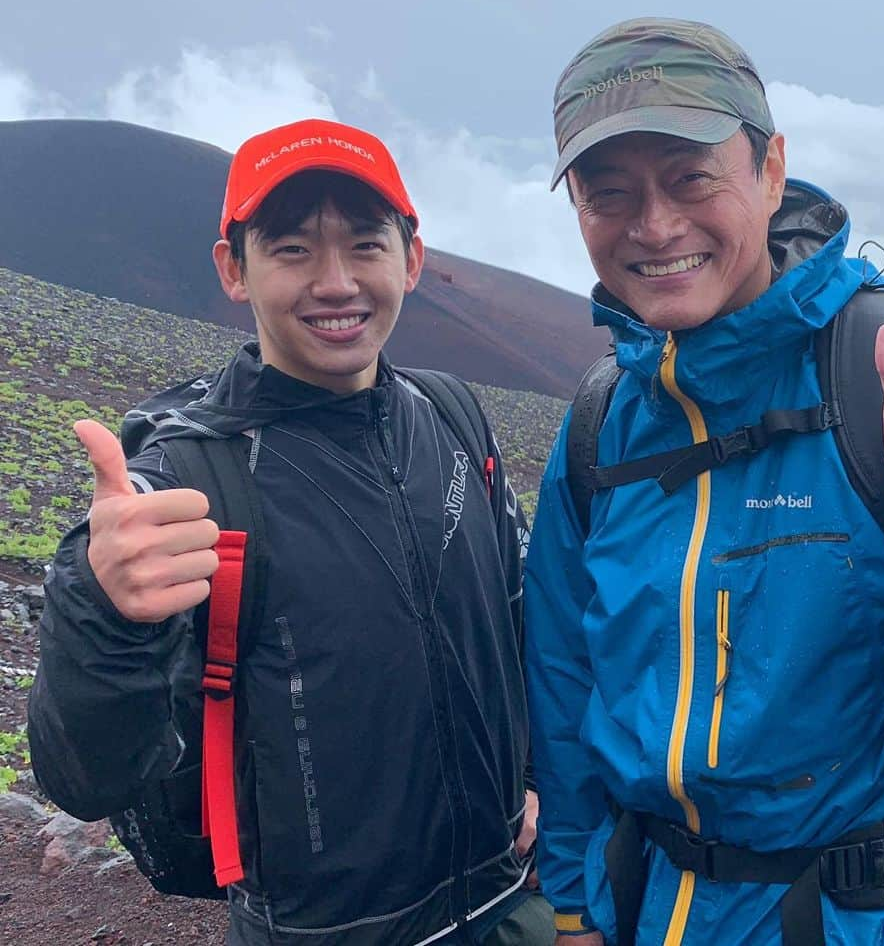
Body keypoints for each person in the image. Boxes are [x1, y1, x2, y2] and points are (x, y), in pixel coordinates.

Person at [523, 18, 884, 946]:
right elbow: (565, 683)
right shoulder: (599, 421)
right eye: (607, 192)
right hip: (641, 910)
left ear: (770, 169)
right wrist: (577, 905)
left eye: (692, 177)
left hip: (856, 921)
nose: (654, 226)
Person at [28, 119, 553, 946]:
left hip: (506, 905)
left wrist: (532, 778)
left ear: (410, 260)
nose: (336, 281)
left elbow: (518, 621)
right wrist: (100, 607)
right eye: (293, 249)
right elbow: (86, 778)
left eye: (365, 245)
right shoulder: (188, 481)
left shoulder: (453, 416)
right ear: (233, 270)